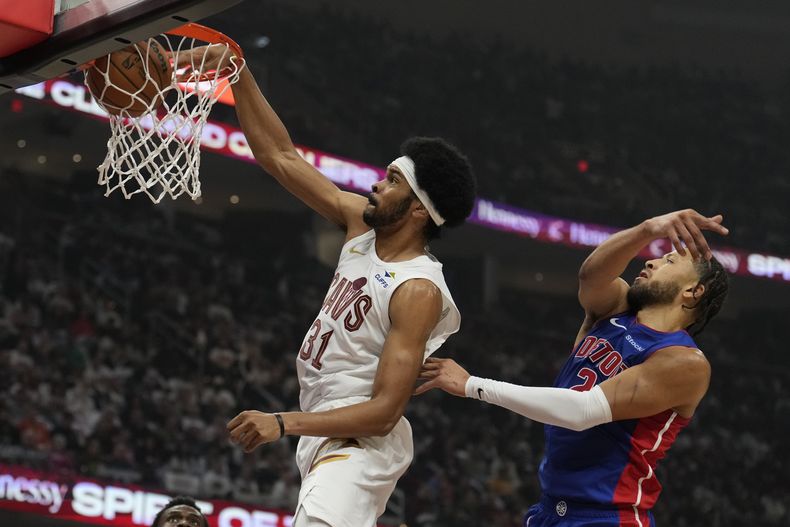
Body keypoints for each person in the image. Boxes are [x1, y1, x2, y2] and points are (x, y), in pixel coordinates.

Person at [178, 46, 477, 526]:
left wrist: (281, 424)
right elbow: (278, 156)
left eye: (393, 181)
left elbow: (382, 412)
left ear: (419, 209)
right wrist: (239, 73)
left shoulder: (417, 289)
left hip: (361, 440)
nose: (378, 185)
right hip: (325, 429)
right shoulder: (361, 224)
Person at [416, 209, 730, 527]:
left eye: (669, 262)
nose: (650, 261)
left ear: (693, 292)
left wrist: (473, 385)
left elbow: (583, 411)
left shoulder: (684, 362)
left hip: (608, 516)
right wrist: (647, 230)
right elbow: (591, 275)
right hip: (551, 506)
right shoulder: (615, 307)